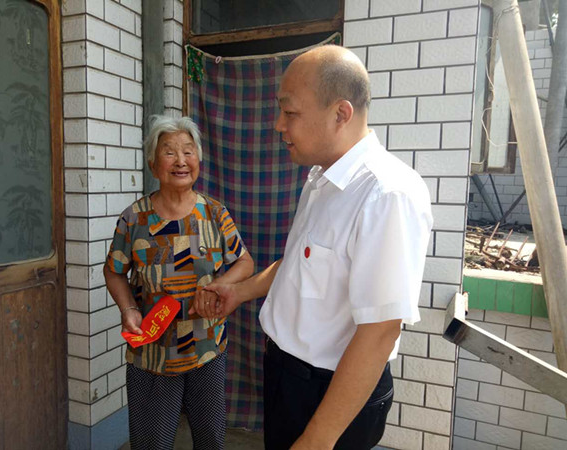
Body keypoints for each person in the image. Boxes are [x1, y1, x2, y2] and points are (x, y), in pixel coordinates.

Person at [194, 45, 433, 449]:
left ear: (340, 113)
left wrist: (317, 440)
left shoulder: (386, 194)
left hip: (329, 393)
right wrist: (240, 291)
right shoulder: (320, 179)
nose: (278, 125)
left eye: (290, 112)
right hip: (287, 377)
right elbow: (301, 263)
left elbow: (380, 331)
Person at [103, 115, 254, 450]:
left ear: (198, 160)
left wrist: (219, 286)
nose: (181, 160)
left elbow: (245, 262)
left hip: (207, 348)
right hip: (153, 354)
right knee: (151, 444)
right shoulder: (134, 218)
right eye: (169, 152)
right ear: (153, 164)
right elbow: (113, 270)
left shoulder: (215, 214)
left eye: (188, 151)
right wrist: (128, 309)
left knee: (210, 441)